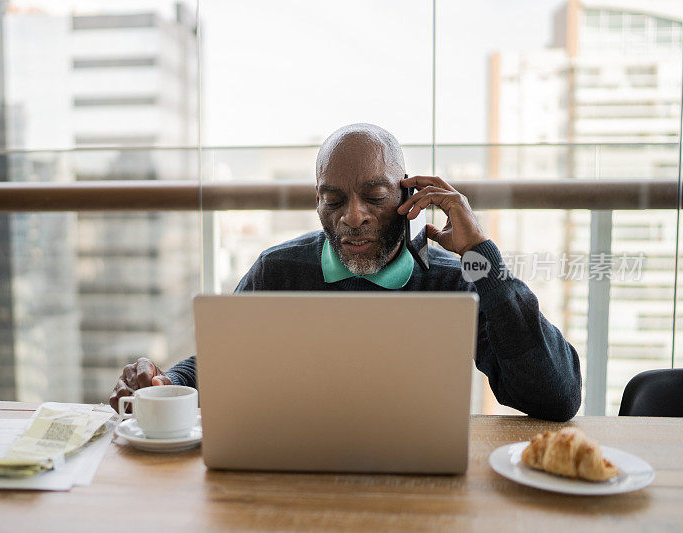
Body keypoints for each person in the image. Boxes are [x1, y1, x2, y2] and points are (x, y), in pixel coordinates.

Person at [109, 123, 582, 422]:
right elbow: (225, 362)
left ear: (409, 197)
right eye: (332, 199)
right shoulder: (279, 271)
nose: (351, 216)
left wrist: (482, 256)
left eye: (374, 197)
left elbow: (556, 397)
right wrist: (168, 383)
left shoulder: (455, 281)